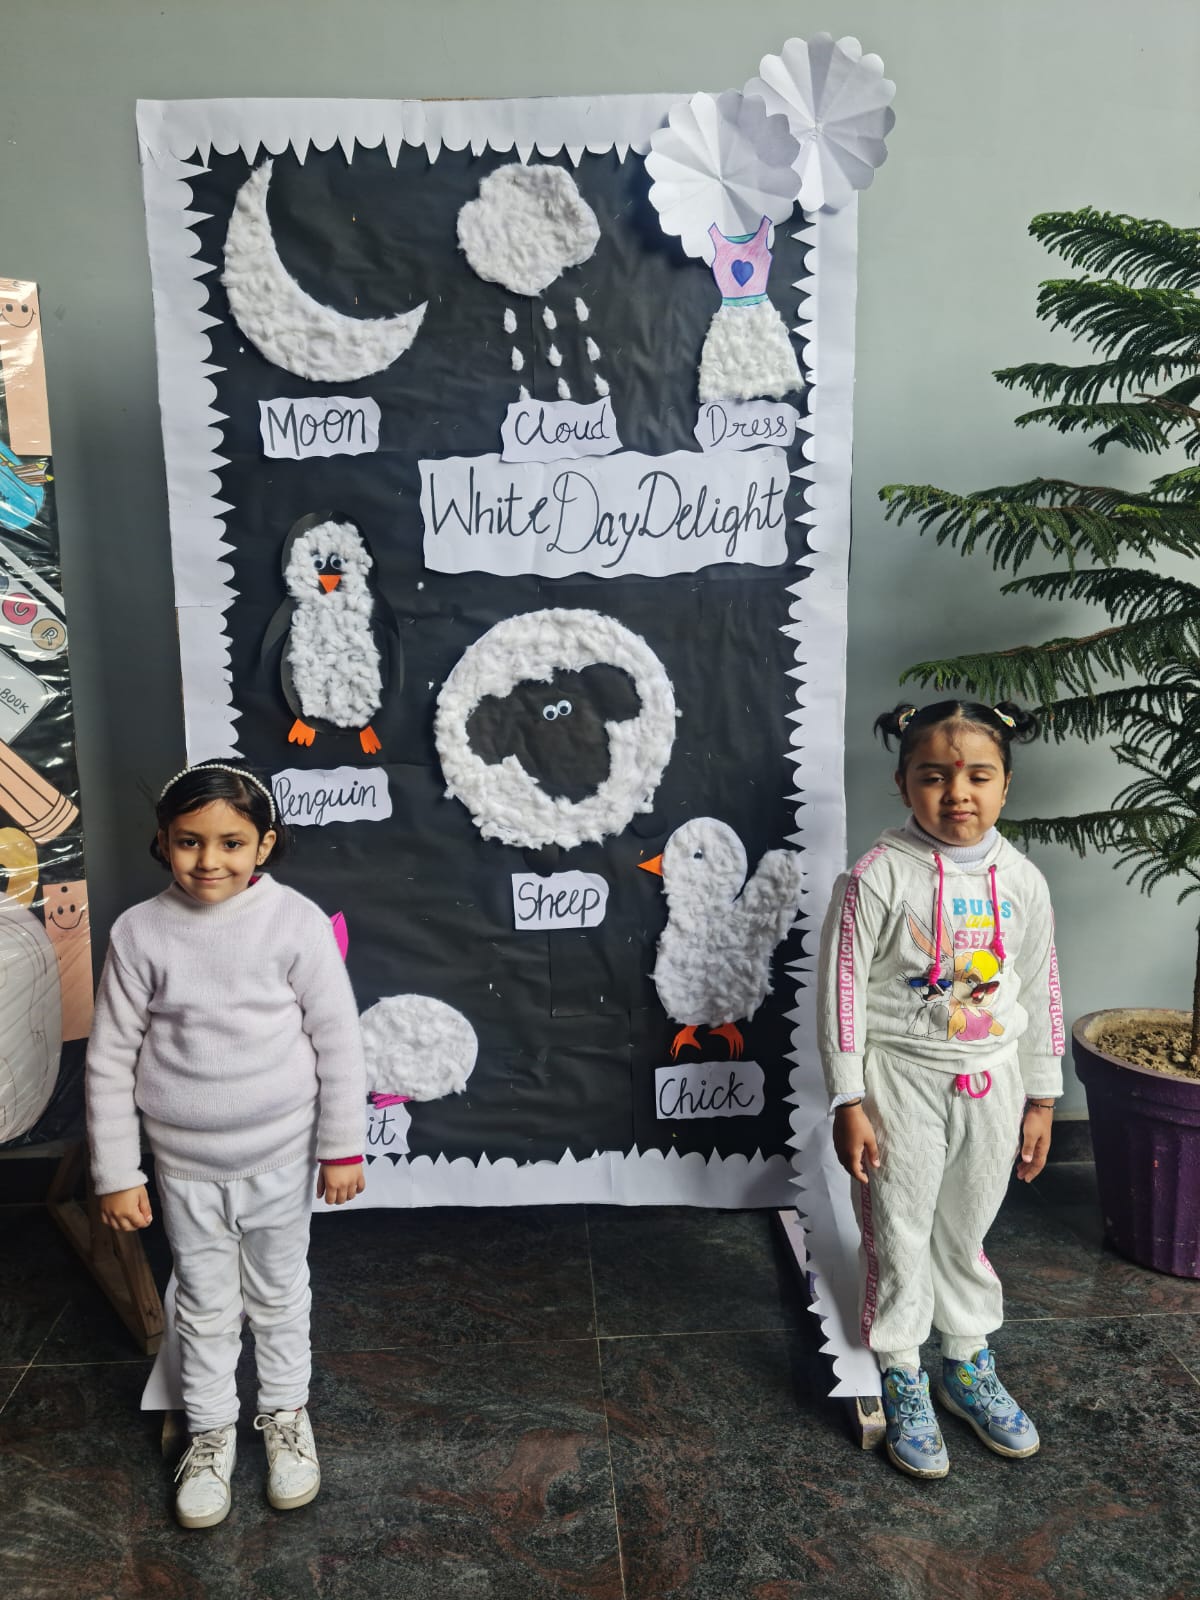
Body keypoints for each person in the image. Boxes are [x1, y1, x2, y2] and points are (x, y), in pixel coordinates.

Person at [86, 761, 367, 1527]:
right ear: (163, 841)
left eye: (231, 843)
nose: (209, 861)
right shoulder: (139, 932)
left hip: (281, 1158)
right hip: (184, 1168)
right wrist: (117, 1172)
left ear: (263, 844)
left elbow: (338, 1040)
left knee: (278, 1296)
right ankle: (209, 1433)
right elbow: (109, 1058)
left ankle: (285, 1417)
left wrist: (342, 1146)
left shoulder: (295, 923)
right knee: (204, 1306)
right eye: (189, 842)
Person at [817, 701, 1063, 1479]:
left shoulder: (1021, 881)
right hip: (901, 1079)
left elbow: (1041, 986)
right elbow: (841, 993)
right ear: (904, 785)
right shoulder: (877, 877)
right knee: (901, 1225)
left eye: (978, 777)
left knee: (967, 1223)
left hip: (993, 1081)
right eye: (934, 776)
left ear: (1005, 785)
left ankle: (965, 1359)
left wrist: (1042, 1098)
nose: (958, 793)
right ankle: (901, 1368)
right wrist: (848, 1099)